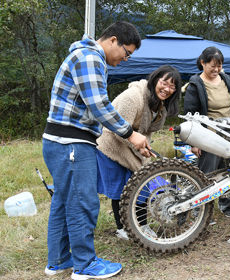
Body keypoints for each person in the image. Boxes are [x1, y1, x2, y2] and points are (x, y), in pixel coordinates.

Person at [42, 22, 151, 279]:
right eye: (127, 53)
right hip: (71, 143)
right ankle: (85, 265)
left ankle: (58, 261)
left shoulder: (84, 55)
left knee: (63, 201)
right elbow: (99, 105)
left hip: (61, 142)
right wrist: (131, 133)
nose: (125, 59)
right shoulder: (90, 57)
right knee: (82, 203)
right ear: (113, 40)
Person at [96, 65, 181, 240]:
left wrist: (143, 146)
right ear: (155, 79)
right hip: (112, 145)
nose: (167, 89)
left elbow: (149, 129)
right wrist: (138, 146)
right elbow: (117, 129)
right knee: (120, 190)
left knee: (141, 185)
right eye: (164, 83)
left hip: (133, 145)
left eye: (172, 87)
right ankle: (122, 228)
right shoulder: (133, 97)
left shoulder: (157, 102)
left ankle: (141, 225)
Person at [184, 46, 230, 224]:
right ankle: (201, 208)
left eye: (219, 66)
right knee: (207, 173)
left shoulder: (226, 79)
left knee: (229, 171)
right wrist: (194, 143)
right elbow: (190, 113)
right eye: (213, 66)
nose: (216, 70)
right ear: (202, 63)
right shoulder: (196, 84)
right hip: (208, 136)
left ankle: (226, 204)